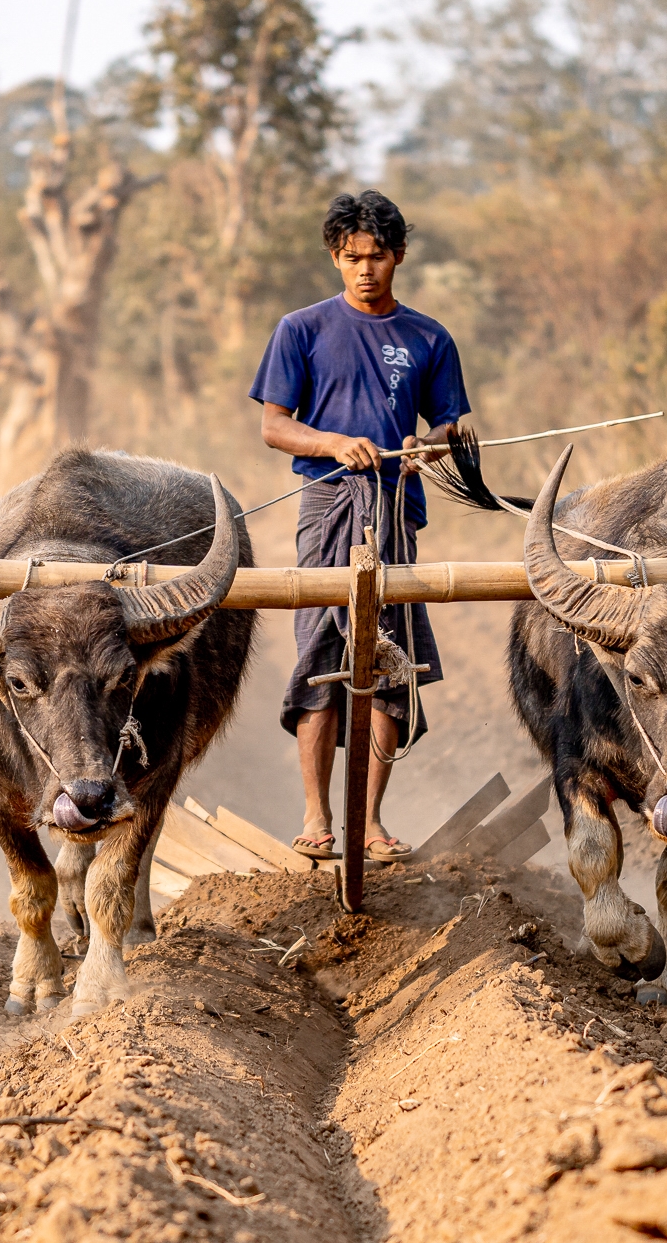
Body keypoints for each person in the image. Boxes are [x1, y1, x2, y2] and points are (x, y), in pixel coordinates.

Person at [250, 189, 470, 864]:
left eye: (376, 256)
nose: (364, 270)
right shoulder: (302, 329)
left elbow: (451, 427)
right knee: (321, 656)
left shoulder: (429, 338)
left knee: (388, 658)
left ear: (398, 255)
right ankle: (316, 815)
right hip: (326, 507)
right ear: (334, 258)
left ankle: (370, 822)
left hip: (395, 510)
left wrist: (428, 446)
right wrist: (333, 443)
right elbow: (274, 426)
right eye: (351, 258)